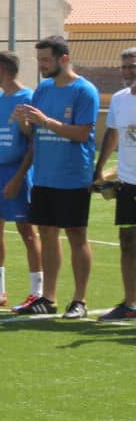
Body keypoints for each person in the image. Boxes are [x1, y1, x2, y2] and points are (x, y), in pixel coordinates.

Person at [12, 36, 99, 318]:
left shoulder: (85, 91)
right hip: (44, 175)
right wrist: (23, 122)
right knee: (48, 234)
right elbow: (33, 134)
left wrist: (46, 120)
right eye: (39, 60)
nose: (42, 66)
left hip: (73, 176)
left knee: (76, 235)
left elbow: (83, 134)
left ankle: (80, 301)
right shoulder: (43, 89)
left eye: (46, 60)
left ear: (64, 58)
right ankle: (48, 298)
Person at [0, 51, 42, 309]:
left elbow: (35, 142)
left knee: (27, 231)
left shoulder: (29, 98)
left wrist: (19, 177)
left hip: (17, 171)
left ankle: (37, 291)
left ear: (3, 69)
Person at [94, 48, 136, 321]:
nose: (128, 71)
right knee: (128, 241)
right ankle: (130, 304)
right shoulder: (120, 100)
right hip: (128, 183)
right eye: (124, 67)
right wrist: (98, 171)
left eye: (133, 66)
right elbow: (113, 135)